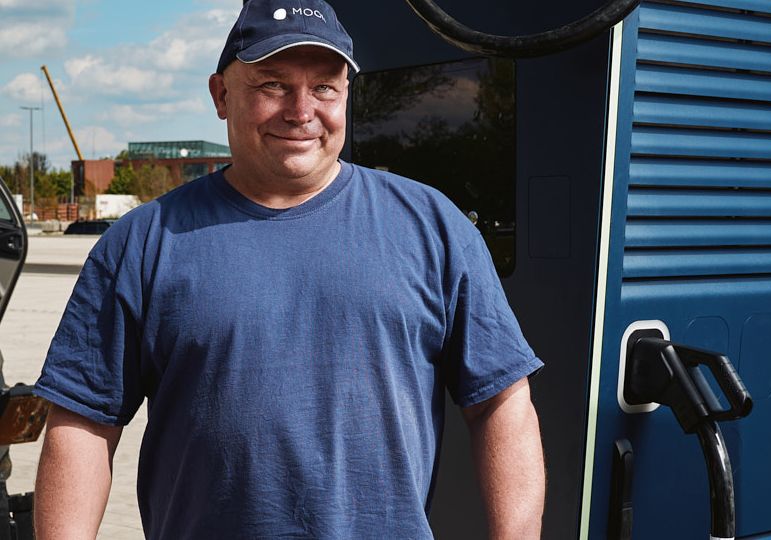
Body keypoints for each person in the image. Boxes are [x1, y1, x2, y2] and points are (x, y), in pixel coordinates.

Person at [32, 0, 545, 537]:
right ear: (221, 95)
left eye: (324, 87)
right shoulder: (142, 243)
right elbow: (84, 422)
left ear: (346, 95)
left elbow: (501, 404)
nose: (301, 111)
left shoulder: (433, 228)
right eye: (273, 84)